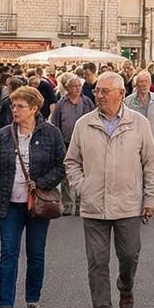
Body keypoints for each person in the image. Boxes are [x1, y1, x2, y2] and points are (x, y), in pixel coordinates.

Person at [64, 72, 154, 308]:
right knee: (96, 261)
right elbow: (71, 161)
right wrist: (81, 186)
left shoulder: (138, 124)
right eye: (97, 91)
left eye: (105, 91)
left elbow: (151, 164)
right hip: (94, 205)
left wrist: (151, 198)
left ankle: (125, 286)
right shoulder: (84, 124)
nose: (99, 95)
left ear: (120, 94)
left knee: (129, 254)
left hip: (128, 204)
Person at [0, 86, 65, 308]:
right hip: (10, 203)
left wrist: (40, 183)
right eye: (13, 106)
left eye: (20, 106)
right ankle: (5, 305)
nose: (14, 110)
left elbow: (61, 165)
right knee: (8, 253)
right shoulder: (5, 135)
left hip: (38, 205)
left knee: (36, 254)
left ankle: (32, 299)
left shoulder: (51, 133)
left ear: (34, 109)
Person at [49, 75, 94, 215]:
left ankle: (81, 203)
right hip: (66, 142)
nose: (77, 88)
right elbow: (55, 123)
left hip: (84, 142)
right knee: (66, 174)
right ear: (68, 88)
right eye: (74, 86)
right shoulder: (62, 103)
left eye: (79, 86)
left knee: (84, 172)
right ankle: (67, 203)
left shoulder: (86, 102)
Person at [126, 71, 154, 155]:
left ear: (150, 84)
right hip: (134, 145)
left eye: (146, 82)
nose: (144, 84)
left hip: (153, 143)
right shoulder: (128, 101)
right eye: (141, 82)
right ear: (136, 84)